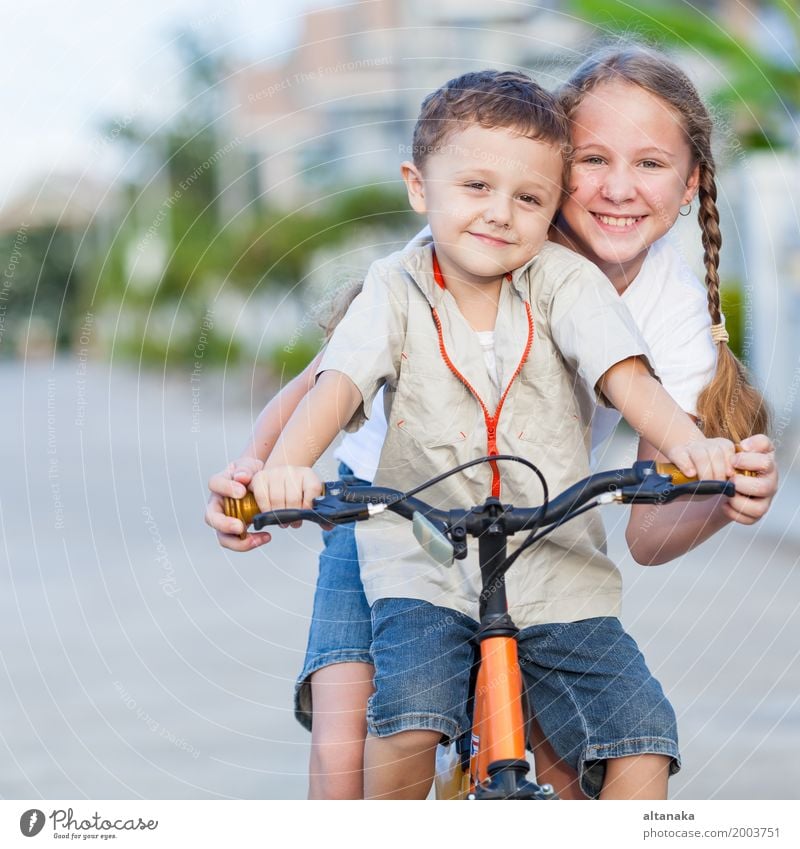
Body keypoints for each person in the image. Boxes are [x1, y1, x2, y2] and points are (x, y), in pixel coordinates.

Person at [205, 50, 777, 799]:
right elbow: (329, 379)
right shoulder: (477, 237)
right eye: (594, 159)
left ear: (692, 179)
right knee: (350, 749)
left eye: (650, 163)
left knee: (577, 765)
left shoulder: (668, 312)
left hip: (529, 523)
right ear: (562, 162)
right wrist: (254, 473)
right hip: (389, 503)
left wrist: (725, 491)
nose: (617, 187)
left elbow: (645, 529)